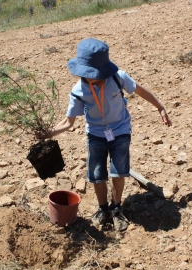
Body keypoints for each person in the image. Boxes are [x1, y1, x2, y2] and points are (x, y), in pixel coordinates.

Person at [49, 38, 172, 231]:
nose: (89, 77)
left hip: (121, 129)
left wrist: (160, 108)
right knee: (97, 175)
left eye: (93, 73)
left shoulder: (117, 77)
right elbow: (68, 121)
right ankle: (103, 209)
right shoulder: (79, 90)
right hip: (96, 134)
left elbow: (139, 90)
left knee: (118, 171)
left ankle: (116, 208)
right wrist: (48, 133)